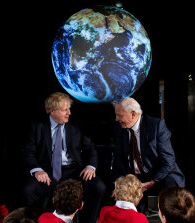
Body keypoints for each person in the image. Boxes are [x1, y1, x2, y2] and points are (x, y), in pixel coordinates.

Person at [21, 92, 106, 223]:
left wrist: (90, 166)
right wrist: (37, 170)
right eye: (64, 110)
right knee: (28, 190)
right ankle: (37, 221)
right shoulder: (37, 126)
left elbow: (91, 149)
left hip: (73, 171)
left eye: (69, 109)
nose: (69, 113)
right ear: (52, 110)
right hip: (47, 172)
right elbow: (28, 152)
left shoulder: (76, 126)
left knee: (98, 187)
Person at [111, 97, 185, 211]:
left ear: (133, 114)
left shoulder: (156, 126)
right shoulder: (119, 128)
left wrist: (153, 181)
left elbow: (168, 160)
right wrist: (129, 180)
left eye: (120, 115)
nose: (116, 119)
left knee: (171, 184)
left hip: (159, 174)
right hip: (134, 176)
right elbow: (119, 159)